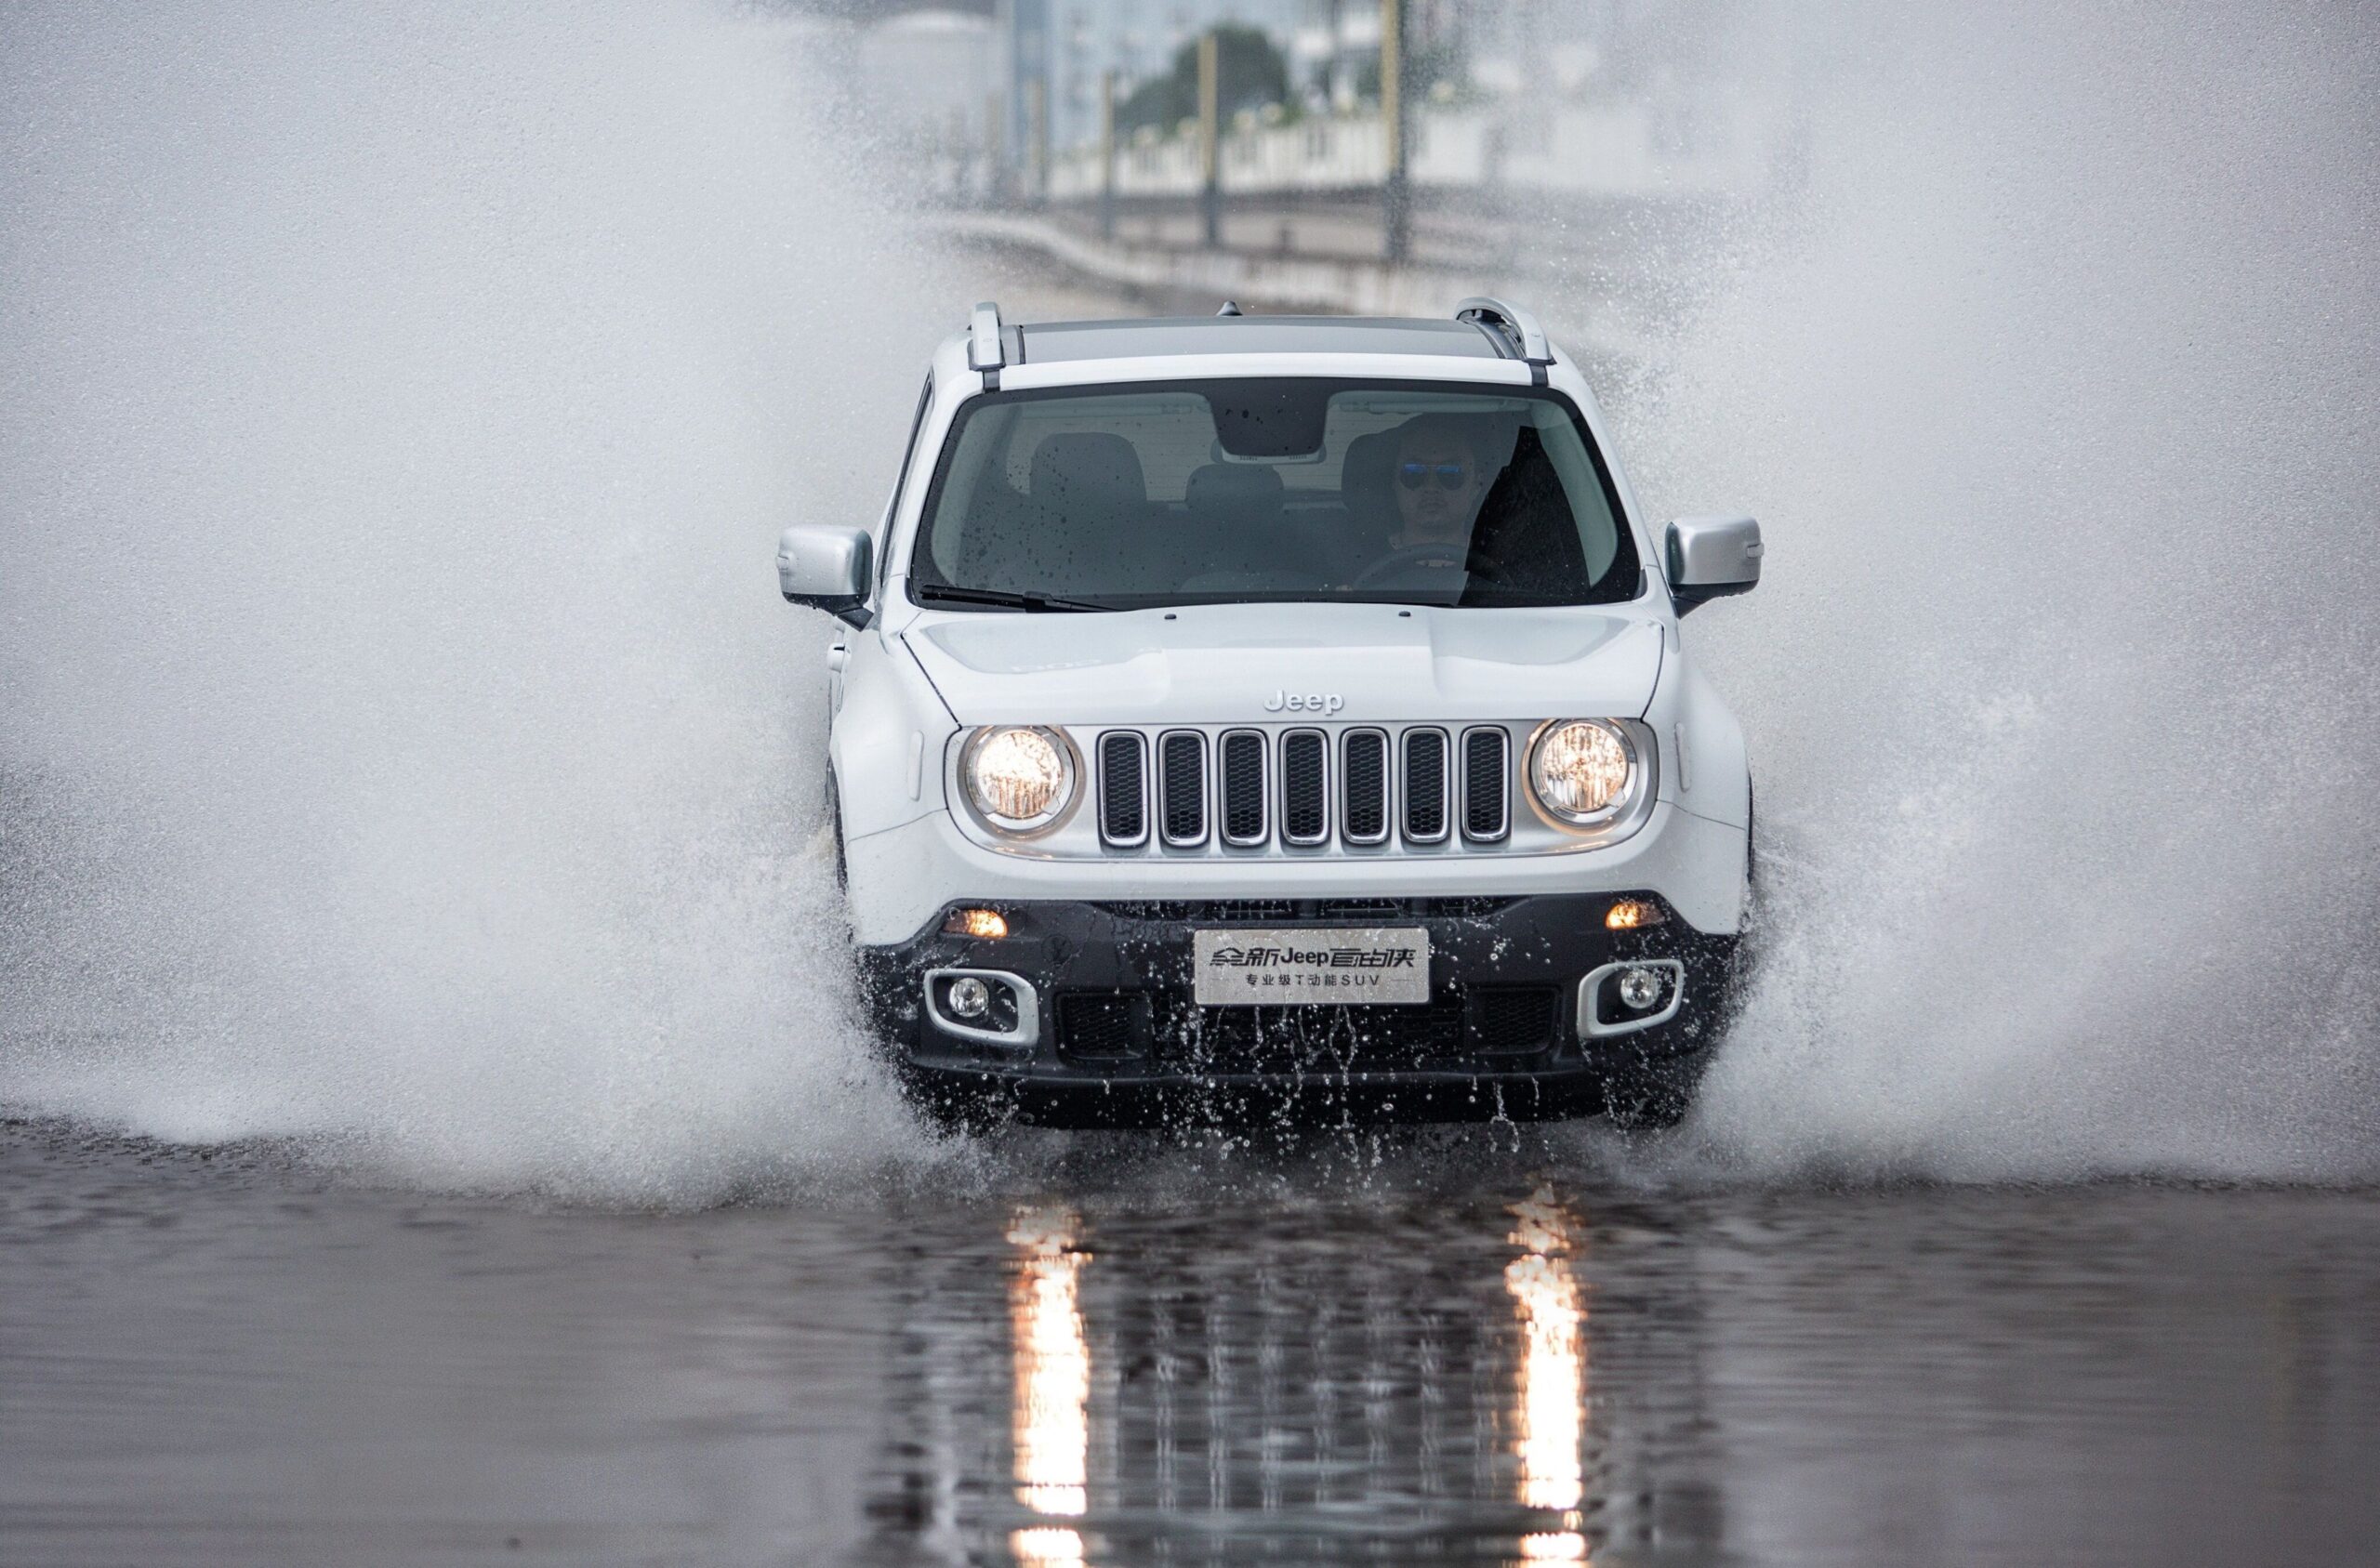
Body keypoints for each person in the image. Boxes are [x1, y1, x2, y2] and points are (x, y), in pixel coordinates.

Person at [1386, 417, 1492, 553]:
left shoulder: (1504, 560)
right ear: (1394, 480)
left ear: (1477, 484)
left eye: (1451, 473)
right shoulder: (1359, 562)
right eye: (1413, 472)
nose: (1431, 487)